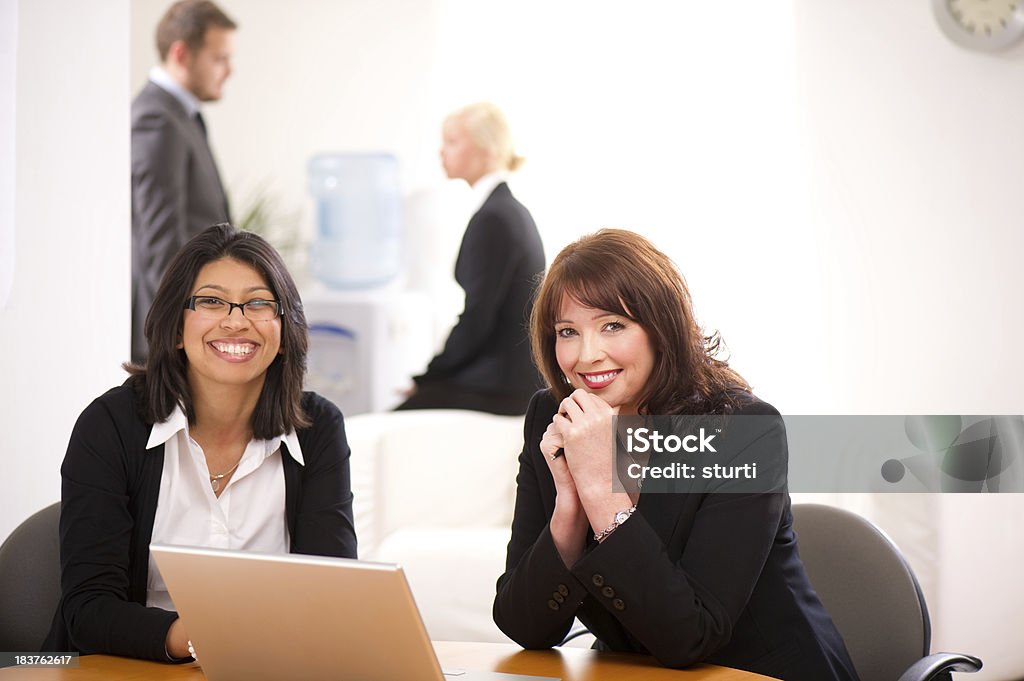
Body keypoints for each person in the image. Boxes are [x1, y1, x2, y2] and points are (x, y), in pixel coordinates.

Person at [492, 229, 859, 681]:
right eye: (568, 332)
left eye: (613, 325)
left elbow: (690, 637)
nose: (586, 356)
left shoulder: (742, 431)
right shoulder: (553, 417)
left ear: (660, 328)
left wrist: (600, 490)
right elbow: (522, 624)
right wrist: (570, 507)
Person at [44, 224, 357, 662]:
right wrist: (198, 638)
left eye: (259, 303)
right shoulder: (110, 425)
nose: (236, 319)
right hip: (129, 669)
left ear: (283, 332)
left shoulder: (318, 427)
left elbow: (334, 595)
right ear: (176, 327)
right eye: (211, 301)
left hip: (269, 668)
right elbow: (89, 610)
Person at [396, 102, 545, 416]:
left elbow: (478, 318)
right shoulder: (506, 211)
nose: (441, 152)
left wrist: (429, 377)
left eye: (452, 142)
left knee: (396, 415)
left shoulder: (495, 217)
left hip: (502, 384)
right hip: (510, 378)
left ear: (486, 149)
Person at [132, 0, 236, 363]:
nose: (229, 70)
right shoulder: (158, 120)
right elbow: (161, 247)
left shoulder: (180, 116)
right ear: (181, 53)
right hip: (175, 340)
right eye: (219, 58)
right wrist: (182, 337)